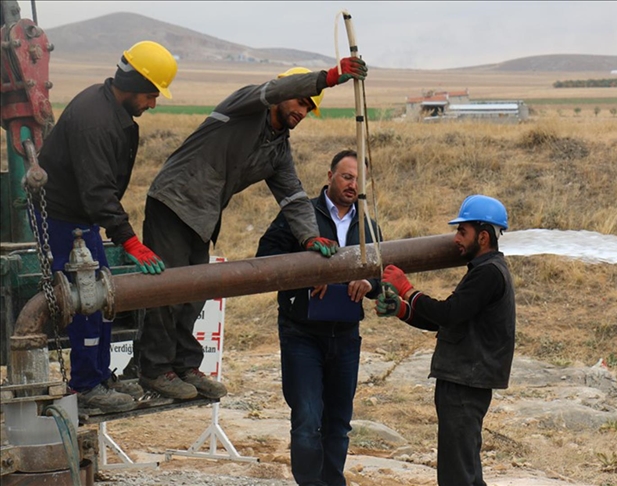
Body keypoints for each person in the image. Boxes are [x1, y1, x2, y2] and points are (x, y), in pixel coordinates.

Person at [138, 59, 368, 400]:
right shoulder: (246, 105)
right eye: (301, 101)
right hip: (173, 201)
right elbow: (274, 90)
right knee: (168, 288)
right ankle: (156, 370)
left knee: (194, 292)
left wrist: (310, 236)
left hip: (202, 217)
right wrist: (329, 78)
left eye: (308, 107)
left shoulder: (278, 148)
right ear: (286, 93)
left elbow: (292, 196)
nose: (303, 111)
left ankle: (184, 366)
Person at [35, 41, 178, 412]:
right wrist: (129, 241)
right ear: (131, 84)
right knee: (86, 299)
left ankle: (98, 377)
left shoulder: (110, 109)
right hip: (62, 220)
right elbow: (98, 191)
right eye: (150, 95)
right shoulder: (95, 120)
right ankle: (85, 388)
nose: (152, 104)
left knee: (102, 296)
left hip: (78, 220)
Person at [255, 149, 381, 486]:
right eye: (346, 176)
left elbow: (383, 272)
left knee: (339, 423)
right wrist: (308, 273)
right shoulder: (300, 215)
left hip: (346, 335)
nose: (353, 185)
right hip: (302, 333)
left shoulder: (368, 225)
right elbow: (265, 258)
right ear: (329, 176)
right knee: (308, 420)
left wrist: (369, 282)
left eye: (359, 179)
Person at [376, 195, 516, 486]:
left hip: (465, 382)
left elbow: (449, 313)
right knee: (466, 471)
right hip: (465, 380)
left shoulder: (488, 274)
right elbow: (449, 319)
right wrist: (404, 309)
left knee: (457, 475)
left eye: (461, 232)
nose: (456, 239)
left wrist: (407, 289)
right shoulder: (484, 271)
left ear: (484, 235)